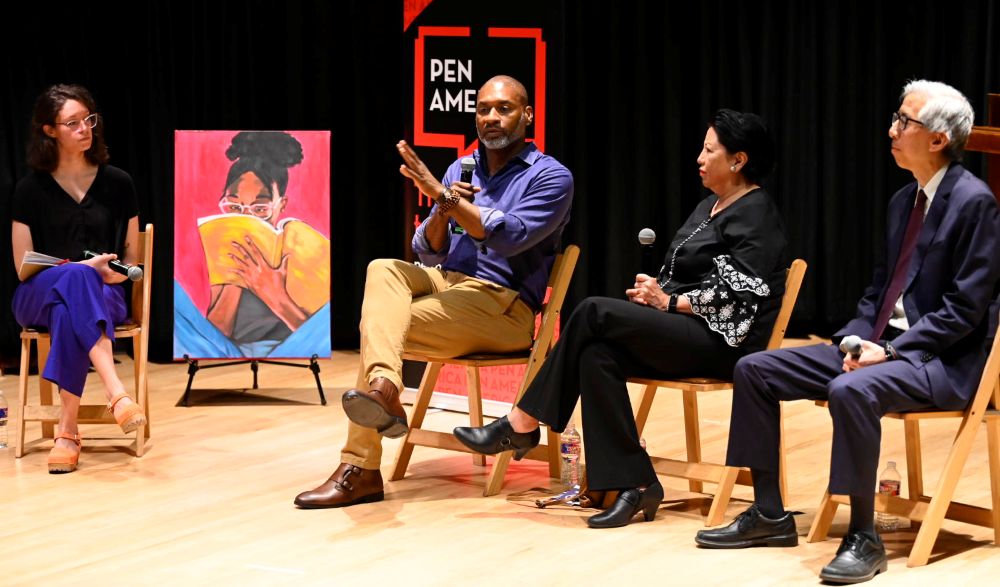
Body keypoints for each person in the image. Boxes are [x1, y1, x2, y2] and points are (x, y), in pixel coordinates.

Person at [695, 81, 1000, 584]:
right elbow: (877, 291)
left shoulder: (975, 203)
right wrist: (854, 339)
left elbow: (963, 310)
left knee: (849, 389)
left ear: (940, 139)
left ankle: (863, 535)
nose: (892, 129)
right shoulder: (904, 200)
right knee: (754, 369)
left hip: (941, 362)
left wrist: (892, 349)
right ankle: (769, 514)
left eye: (905, 122)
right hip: (884, 348)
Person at [454, 109, 789, 528]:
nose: (699, 159)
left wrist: (668, 302)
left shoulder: (757, 211)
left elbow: (740, 295)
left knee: (593, 310)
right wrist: (655, 294)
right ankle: (634, 484)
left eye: (709, 150)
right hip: (685, 330)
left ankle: (522, 422)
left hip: (724, 345)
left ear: (738, 160)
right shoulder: (710, 205)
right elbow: (683, 276)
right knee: (596, 353)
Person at [293, 75, 574, 508]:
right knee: (382, 268)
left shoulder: (550, 177)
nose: (492, 118)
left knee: (377, 327)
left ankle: (360, 468)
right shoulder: (462, 168)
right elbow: (426, 249)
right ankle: (386, 388)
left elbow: (510, 237)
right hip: (449, 282)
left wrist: (446, 198)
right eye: (483, 109)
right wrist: (443, 208)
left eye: (504, 109)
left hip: (504, 305)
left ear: (528, 115)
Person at [11, 84, 146, 474]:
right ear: (49, 131)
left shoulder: (119, 182)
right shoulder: (28, 189)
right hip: (35, 295)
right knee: (72, 276)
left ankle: (67, 433)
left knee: (73, 299)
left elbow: (132, 258)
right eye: (73, 123)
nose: (85, 128)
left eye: (89, 119)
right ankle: (116, 392)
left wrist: (108, 274)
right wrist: (78, 271)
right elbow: (22, 265)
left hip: (106, 294)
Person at [173, 131, 331, 358]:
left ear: (281, 204)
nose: (247, 219)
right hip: (227, 349)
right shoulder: (221, 242)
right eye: (234, 207)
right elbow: (215, 334)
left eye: (260, 210)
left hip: (291, 347)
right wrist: (235, 280)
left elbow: (315, 335)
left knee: (329, 313)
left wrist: (274, 295)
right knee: (175, 297)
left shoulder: (297, 247)